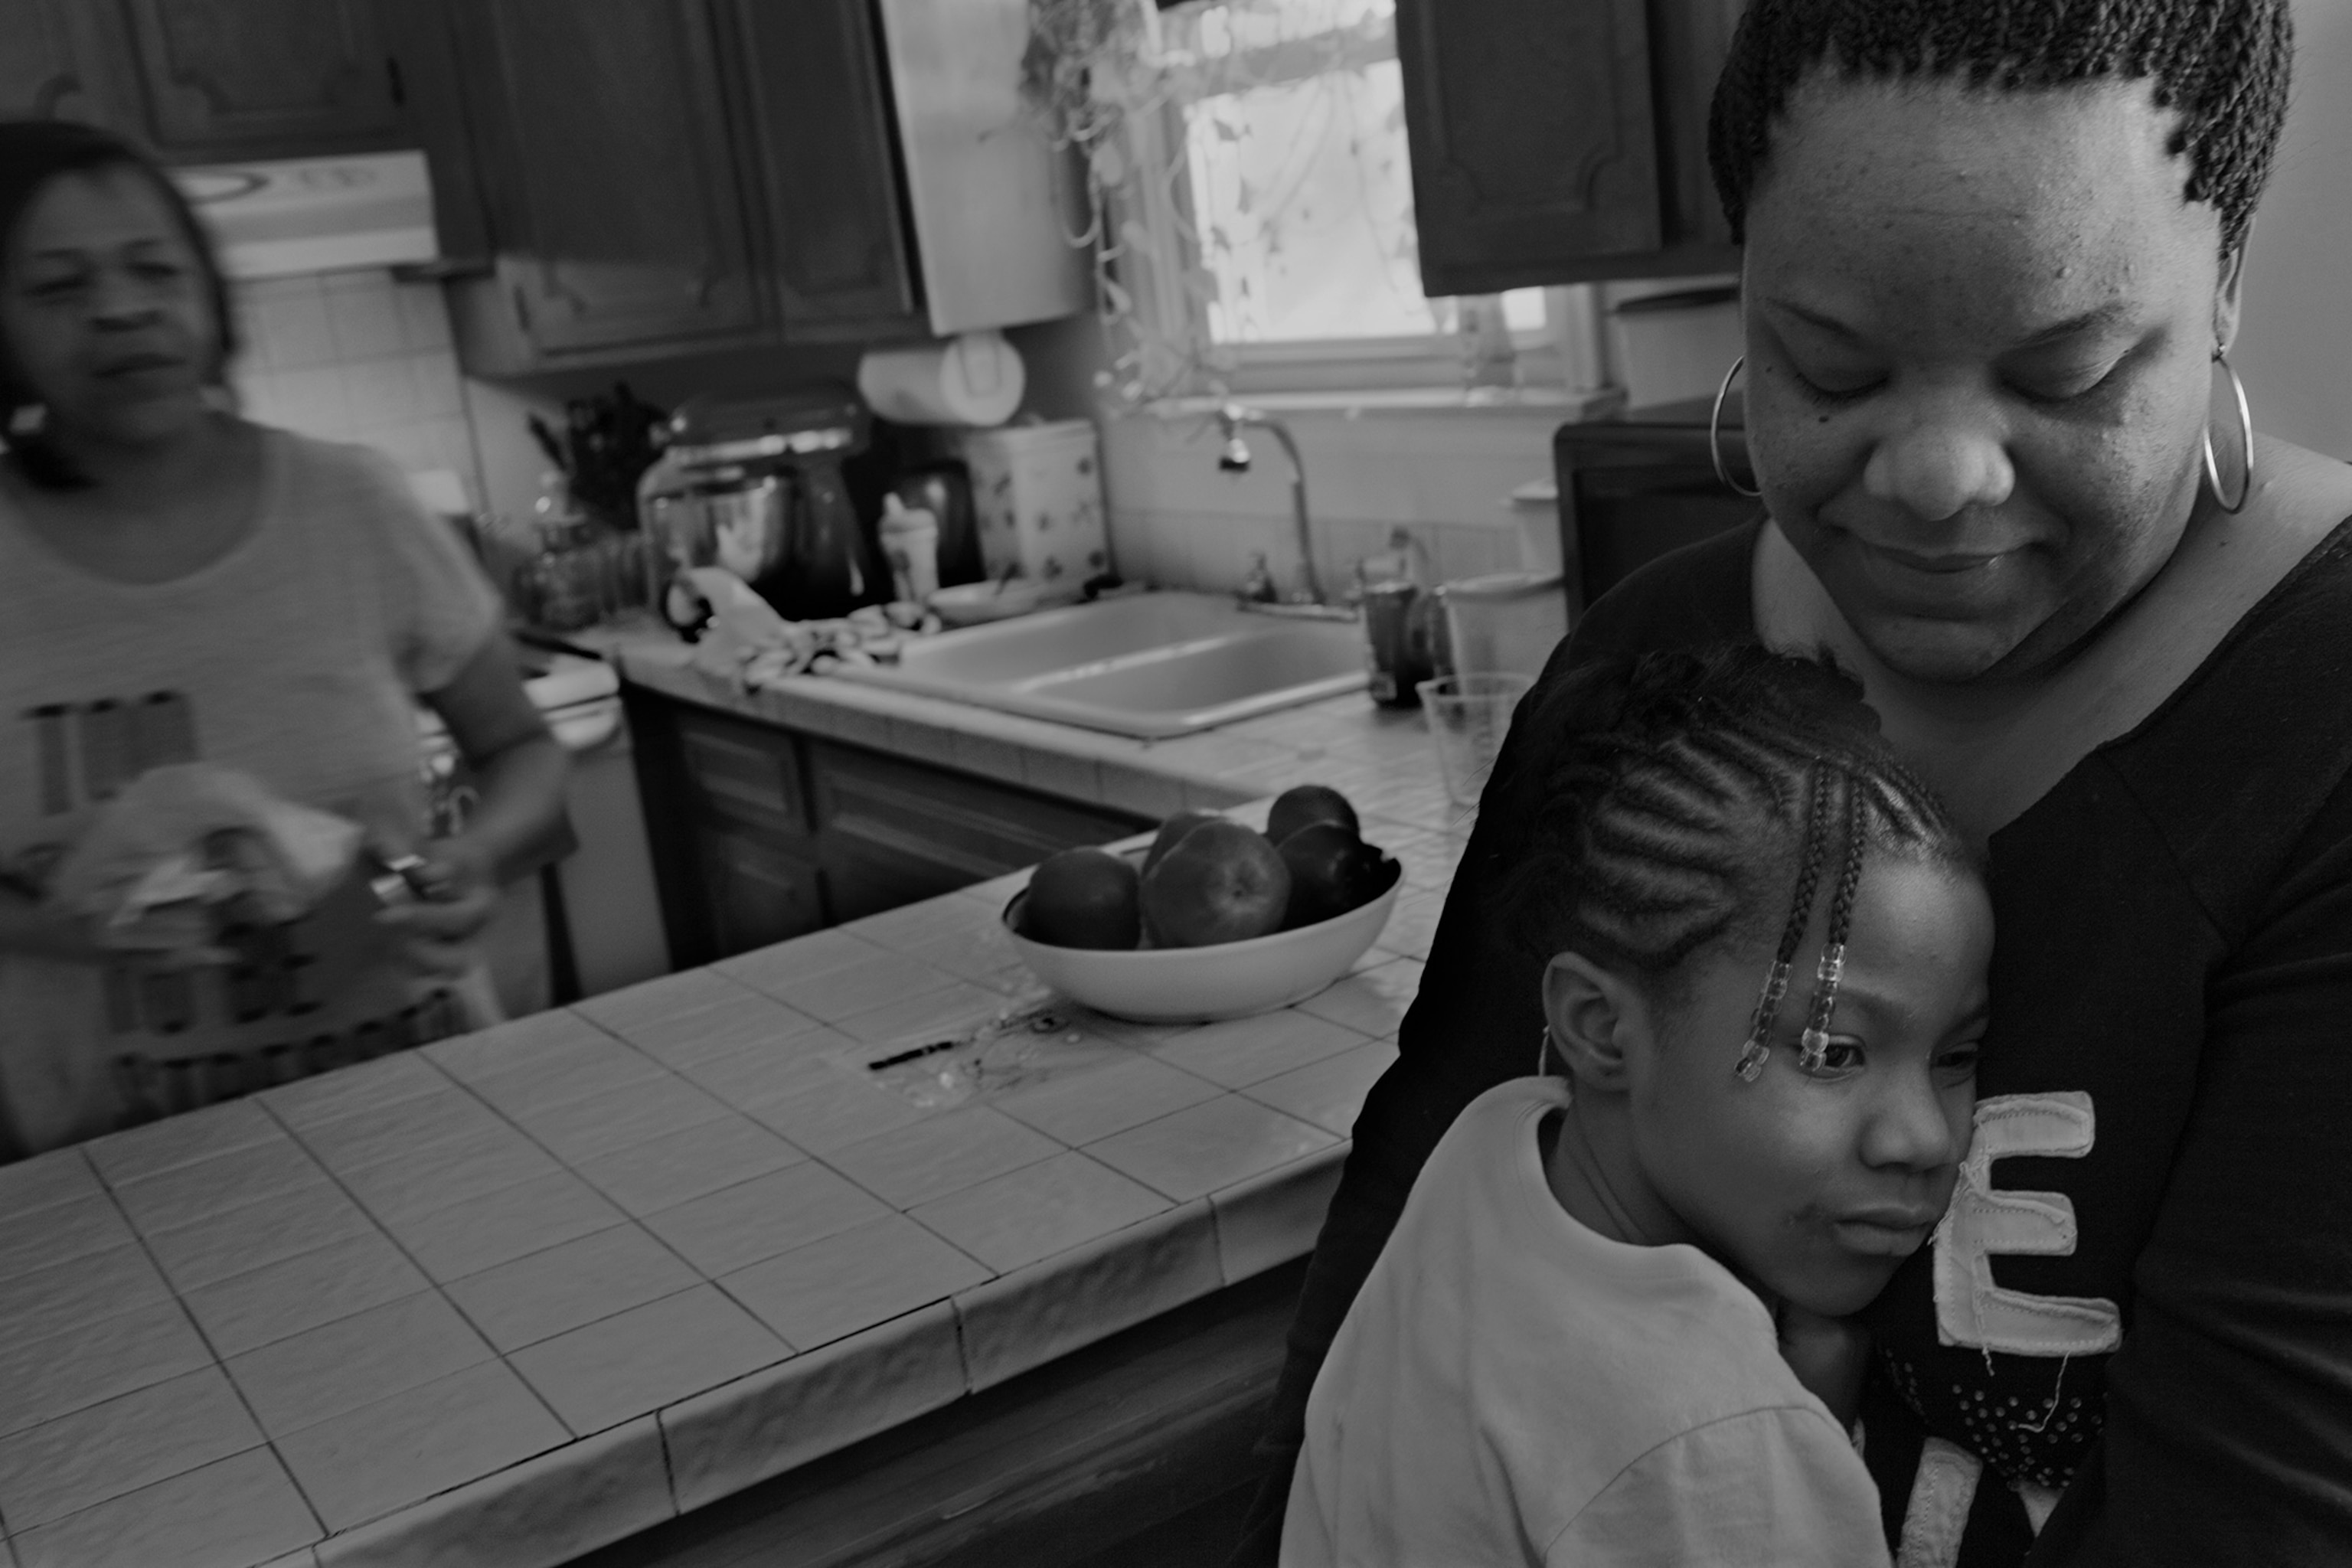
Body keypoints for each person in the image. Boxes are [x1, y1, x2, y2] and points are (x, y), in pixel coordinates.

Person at [1240, 1, 2352, 1563]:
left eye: (2068, 371)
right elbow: (1400, 1252)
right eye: (1829, 362)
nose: (1940, 475)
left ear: (2224, 282)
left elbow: (2259, 1510)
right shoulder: (1652, 662)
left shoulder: (2318, 721)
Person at [1282, 645, 1989, 1568]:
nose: (1926, 1137)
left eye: (1957, 1055)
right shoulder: (1712, 1438)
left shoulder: (1492, 1143)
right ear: (1600, 1028)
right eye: (1831, 1050)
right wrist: (1797, 1437)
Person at [0, 121, 570, 1157]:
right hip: (121, 1164)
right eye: (59, 286)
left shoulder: (351, 503)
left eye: (154, 268)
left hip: (418, 1117)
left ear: (209, 296)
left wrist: (474, 857)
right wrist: (59, 929)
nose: (121, 308)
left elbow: (522, 748)